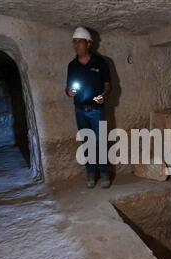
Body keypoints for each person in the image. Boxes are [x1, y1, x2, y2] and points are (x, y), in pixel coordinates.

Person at [66, 27, 111, 188]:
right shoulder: (72, 66)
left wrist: (103, 96)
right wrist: (70, 92)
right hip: (80, 110)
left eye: (79, 41)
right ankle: (91, 174)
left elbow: (107, 85)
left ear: (88, 43)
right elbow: (68, 88)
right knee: (86, 143)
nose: (76, 45)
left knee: (100, 143)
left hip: (96, 111)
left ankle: (104, 174)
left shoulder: (100, 63)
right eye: (74, 41)